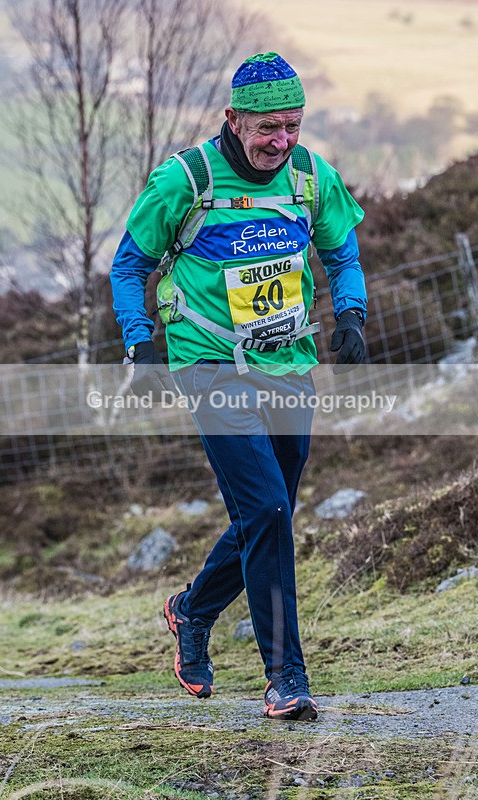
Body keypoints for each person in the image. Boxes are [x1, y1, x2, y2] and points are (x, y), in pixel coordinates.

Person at [110, 52, 367, 721]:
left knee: (268, 511)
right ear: (232, 119)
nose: (280, 142)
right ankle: (286, 678)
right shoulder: (185, 178)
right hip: (209, 362)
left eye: (291, 126)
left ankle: (190, 609)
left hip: (288, 364)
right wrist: (139, 340)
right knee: (269, 514)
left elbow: (341, 250)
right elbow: (128, 262)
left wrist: (353, 313)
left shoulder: (310, 176)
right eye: (266, 129)